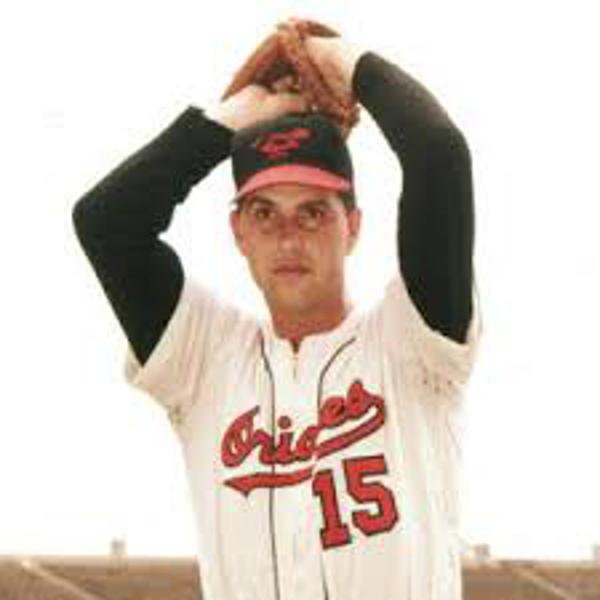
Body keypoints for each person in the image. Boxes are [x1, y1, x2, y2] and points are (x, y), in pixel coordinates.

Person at [72, 30, 482, 600]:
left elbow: (438, 153)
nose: (288, 237)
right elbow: (106, 222)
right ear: (239, 232)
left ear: (352, 226)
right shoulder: (207, 360)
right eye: (265, 213)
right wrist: (234, 118)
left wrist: (338, 59)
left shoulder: (410, 342)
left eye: (313, 212)